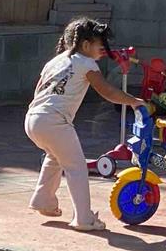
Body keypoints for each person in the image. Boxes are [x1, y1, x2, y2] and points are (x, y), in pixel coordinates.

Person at [25, 17, 145, 231]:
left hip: (33, 119)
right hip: (54, 120)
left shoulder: (55, 61)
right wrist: (133, 101)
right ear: (86, 45)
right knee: (76, 166)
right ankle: (84, 219)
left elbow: (39, 90)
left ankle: (43, 200)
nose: (103, 51)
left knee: (56, 156)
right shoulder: (85, 63)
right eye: (101, 46)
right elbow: (107, 91)